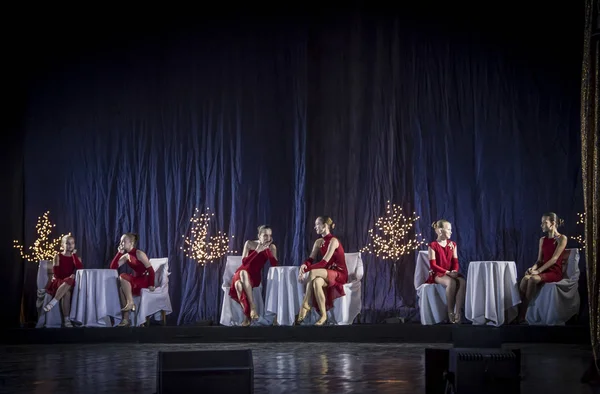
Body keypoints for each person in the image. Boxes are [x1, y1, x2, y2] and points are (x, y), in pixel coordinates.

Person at [517, 212, 568, 324]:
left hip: (554, 271)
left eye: (544, 223)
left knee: (532, 279)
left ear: (553, 223)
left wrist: (538, 271)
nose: (541, 225)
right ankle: (519, 309)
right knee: (525, 278)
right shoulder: (542, 240)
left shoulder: (562, 238)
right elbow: (539, 260)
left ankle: (523, 313)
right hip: (542, 270)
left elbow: (554, 259)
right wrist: (532, 268)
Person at [297, 216, 348, 326]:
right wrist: (304, 265)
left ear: (325, 226)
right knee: (316, 282)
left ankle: (305, 303)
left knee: (313, 272)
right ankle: (324, 316)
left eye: (317, 224)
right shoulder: (318, 241)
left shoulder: (333, 241)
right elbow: (310, 259)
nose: (315, 227)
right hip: (327, 273)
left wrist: (307, 270)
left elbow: (323, 263)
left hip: (339, 273)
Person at [229, 225, 278, 326]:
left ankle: (247, 316)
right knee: (242, 274)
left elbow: (274, 264)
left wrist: (267, 250)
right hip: (242, 271)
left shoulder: (272, 247)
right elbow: (244, 262)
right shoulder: (249, 243)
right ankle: (252, 308)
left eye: (269, 235)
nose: (268, 238)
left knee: (239, 285)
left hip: (254, 276)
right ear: (259, 236)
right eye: (265, 235)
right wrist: (256, 251)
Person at [109, 233, 155, 327]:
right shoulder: (126, 256)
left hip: (143, 281)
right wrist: (119, 253)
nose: (121, 243)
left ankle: (130, 303)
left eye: (124, 241)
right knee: (121, 288)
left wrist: (151, 284)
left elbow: (151, 271)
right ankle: (125, 319)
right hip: (135, 280)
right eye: (121, 241)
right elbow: (113, 267)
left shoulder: (139, 253)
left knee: (122, 276)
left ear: (131, 243)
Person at [426, 219, 466, 324]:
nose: (451, 232)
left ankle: (458, 312)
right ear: (440, 231)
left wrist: (454, 270)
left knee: (462, 281)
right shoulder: (433, 246)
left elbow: (456, 261)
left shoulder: (453, 245)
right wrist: (448, 273)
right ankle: (450, 311)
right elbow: (433, 265)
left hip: (450, 272)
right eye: (448, 229)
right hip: (438, 273)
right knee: (451, 282)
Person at [43, 235, 84, 327]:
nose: (70, 245)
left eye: (72, 243)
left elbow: (80, 268)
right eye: (67, 243)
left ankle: (54, 304)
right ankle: (66, 320)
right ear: (62, 245)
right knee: (67, 292)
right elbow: (57, 274)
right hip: (59, 282)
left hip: (70, 282)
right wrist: (68, 278)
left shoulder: (77, 257)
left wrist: (73, 255)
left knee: (70, 282)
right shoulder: (57, 256)